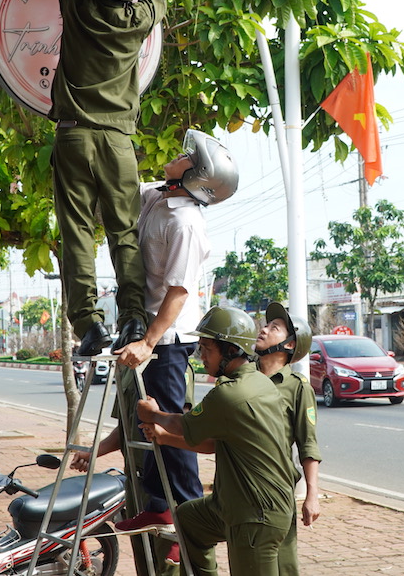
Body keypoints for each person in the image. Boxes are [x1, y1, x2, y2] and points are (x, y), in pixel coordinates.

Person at [46, 0, 174, 356]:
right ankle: (135, 318)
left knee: (77, 229)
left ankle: (89, 325)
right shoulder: (140, 17)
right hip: (119, 142)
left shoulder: (77, 3)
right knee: (124, 231)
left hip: (73, 136)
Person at [111, 130, 239, 564]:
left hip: (166, 340)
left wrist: (148, 343)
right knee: (147, 427)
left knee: (171, 429)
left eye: (188, 157)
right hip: (144, 331)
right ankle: (155, 506)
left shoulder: (186, 222)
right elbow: (120, 186)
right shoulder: (158, 198)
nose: (177, 156)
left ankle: (182, 514)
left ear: (199, 177)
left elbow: (179, 291)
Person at [137, 306, 297, 576]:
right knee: (187, 519)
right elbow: (212, 443)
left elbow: (182, 424)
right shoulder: (260, 383)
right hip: (230, 504)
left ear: (231, 350)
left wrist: (153, 414)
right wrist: (164, 438)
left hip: (256, 513)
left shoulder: (230, 395)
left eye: (207, 348)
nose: (201, 356)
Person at [255, 303, 322, 575]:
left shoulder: (297, 387)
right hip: (238, 487)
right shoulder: (239, 377)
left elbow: (308, 444)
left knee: (283, 565)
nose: (263, 329)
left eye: (274, 328)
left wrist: (311, 495)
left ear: (290, 344)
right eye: (266, 324)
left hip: (277, 490)